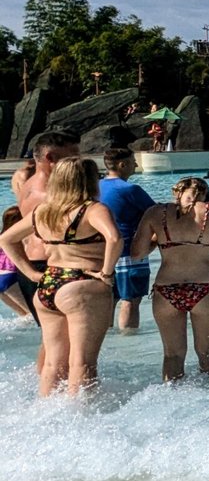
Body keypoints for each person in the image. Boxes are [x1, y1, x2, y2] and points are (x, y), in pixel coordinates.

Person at [0, 156, 120, 395]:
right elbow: (114, 238)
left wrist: (31, 273)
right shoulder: (93, 209)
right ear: (88, 180)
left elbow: (6, 239)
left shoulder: (43, 211)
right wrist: (106, 272)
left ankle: (46, 410)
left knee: (53, 363)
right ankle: (81, 414)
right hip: (82, 284)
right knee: (82, 362)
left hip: (49, 284)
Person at [130, 177, 209, 381]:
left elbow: (137, 254)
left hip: (167, 289)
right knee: (208, 351)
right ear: (205, 194)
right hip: (205, 288)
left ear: (177, 193)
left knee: (172, 354)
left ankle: (172, 397)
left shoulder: (155, 213)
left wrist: (159, 239)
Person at [13, 131, 82, 326]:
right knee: (65, 336)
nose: (78, 163)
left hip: (34, 266)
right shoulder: (50, 194)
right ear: (50, 158)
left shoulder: (27, 184)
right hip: (49, 266)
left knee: (52, 336)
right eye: (73, 157)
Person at [99, 148, 157, 331]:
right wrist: (152, 243)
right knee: (130, 299)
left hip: (102, 252)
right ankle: (129, 338)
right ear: (122, 164)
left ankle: (105, 336)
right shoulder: (130, 190)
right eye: (133, 161)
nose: (137, 164)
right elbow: (158, 214)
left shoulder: (96, 186)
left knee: (109, 298)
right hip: (128, 252)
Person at [0, 207, 31, 317]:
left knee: (23, 316)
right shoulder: (20, 237)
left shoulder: (2, 237)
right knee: (33, 314)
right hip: (11, 278)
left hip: (1, 278)